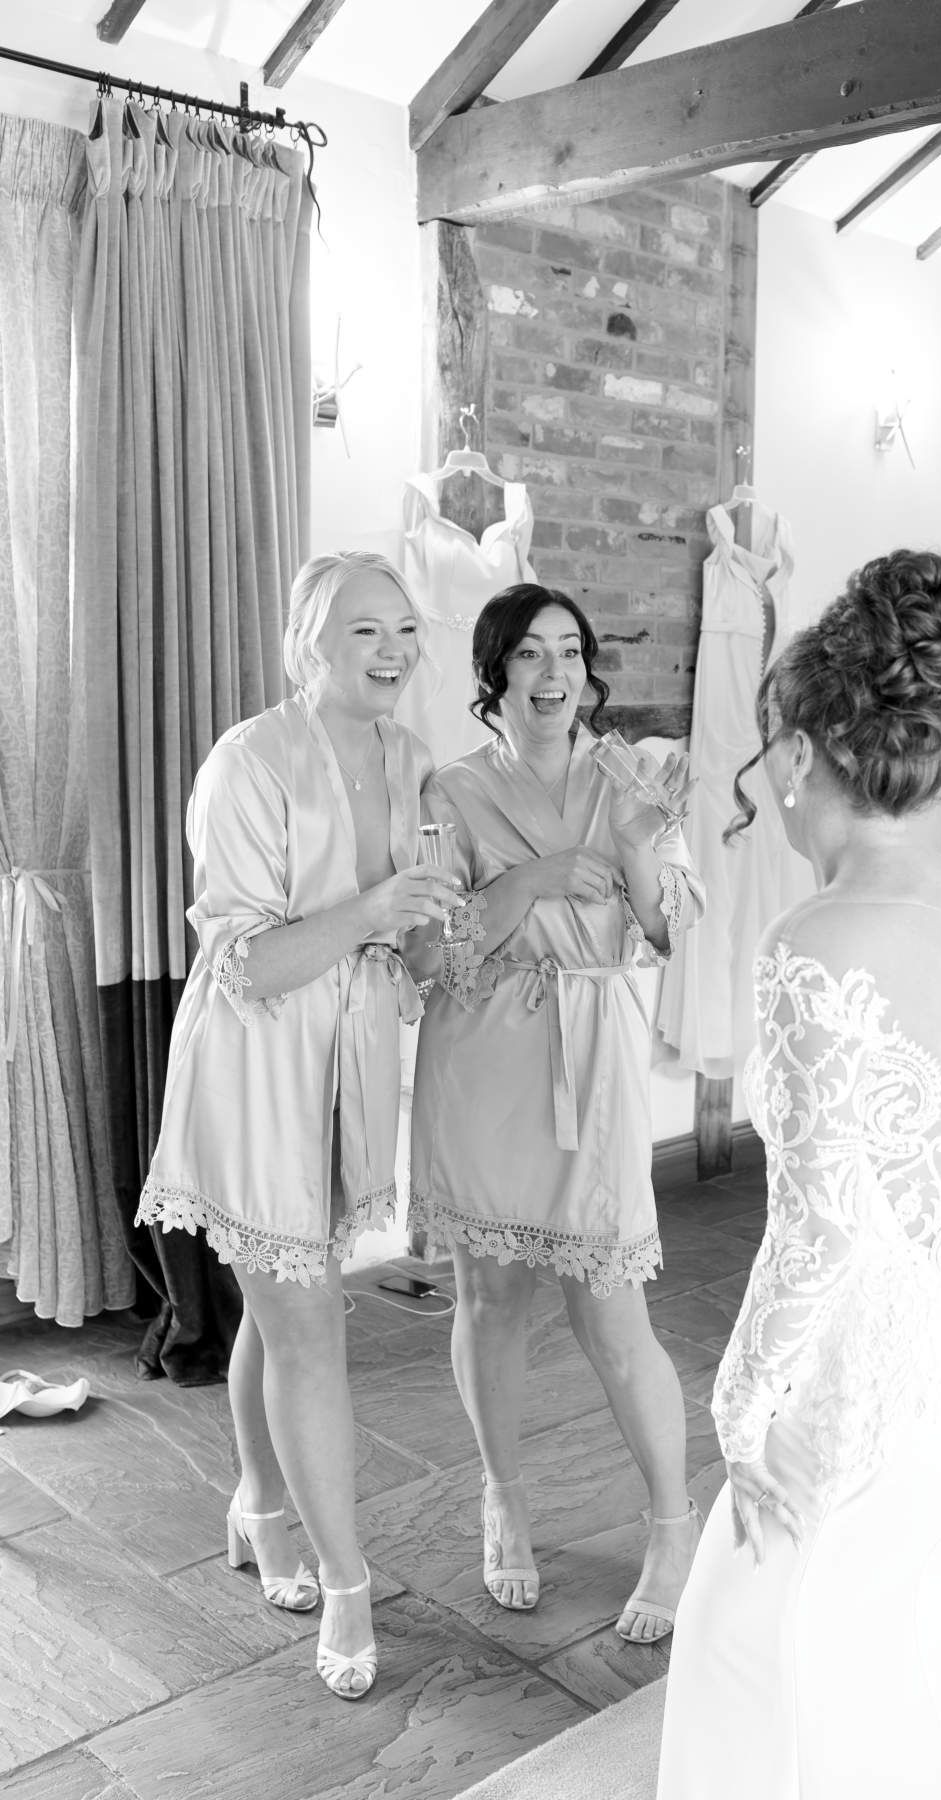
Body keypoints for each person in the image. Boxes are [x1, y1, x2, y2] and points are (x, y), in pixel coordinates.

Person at [655, 548, 941, 1797]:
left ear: (796, 755)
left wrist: (742, 1413)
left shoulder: (815, 941)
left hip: (887, 1398)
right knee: (905, 1646)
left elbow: (817, 1235)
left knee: (746, 1647)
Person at [136, 551, 460, 1701]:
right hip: (258, 1069)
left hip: (348, 1069)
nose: (391, 652)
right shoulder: (249, 761)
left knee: (286, 1309)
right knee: (309, 1323)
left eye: (406, 632)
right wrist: (375, 908)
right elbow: (252, 963)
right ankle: (348, 1581)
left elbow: (417, 952)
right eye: (365, 632)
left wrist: (434, 927)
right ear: (311, 642)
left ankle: (259, 1502)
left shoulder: (416, 761)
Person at [409, 582, 704, 1642]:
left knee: (613, 1314)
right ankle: (505, 1499)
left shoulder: (634, 777)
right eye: (529, 656)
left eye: (570, 653)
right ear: (496, 675)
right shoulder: (447, 791)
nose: (553, 675)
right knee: (489, 1300)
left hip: (597, 1059)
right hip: (484, 1062)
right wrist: (531, 879)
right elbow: (426, 955)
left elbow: (672, 933)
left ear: (589, 670)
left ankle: (673, 1524)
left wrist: (631, 842)